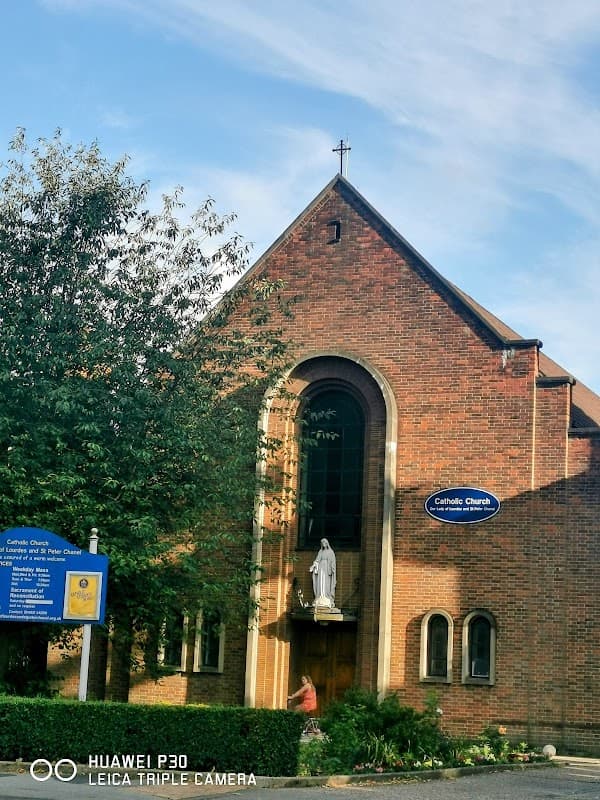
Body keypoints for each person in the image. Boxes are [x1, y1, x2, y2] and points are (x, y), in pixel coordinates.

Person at [309, 538, 336, 607]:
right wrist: (313, 566)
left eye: (324, 542)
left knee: (326, 582)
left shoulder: (331, 552)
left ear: (327, 543)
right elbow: (317, 560)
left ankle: (326, 596)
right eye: (322, 543)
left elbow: (333, 561)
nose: (323, 544)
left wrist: (332, 568)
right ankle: (320, 595)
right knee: (320, 582)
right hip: (321, 568)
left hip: (327, 569)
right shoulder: (320, 552)